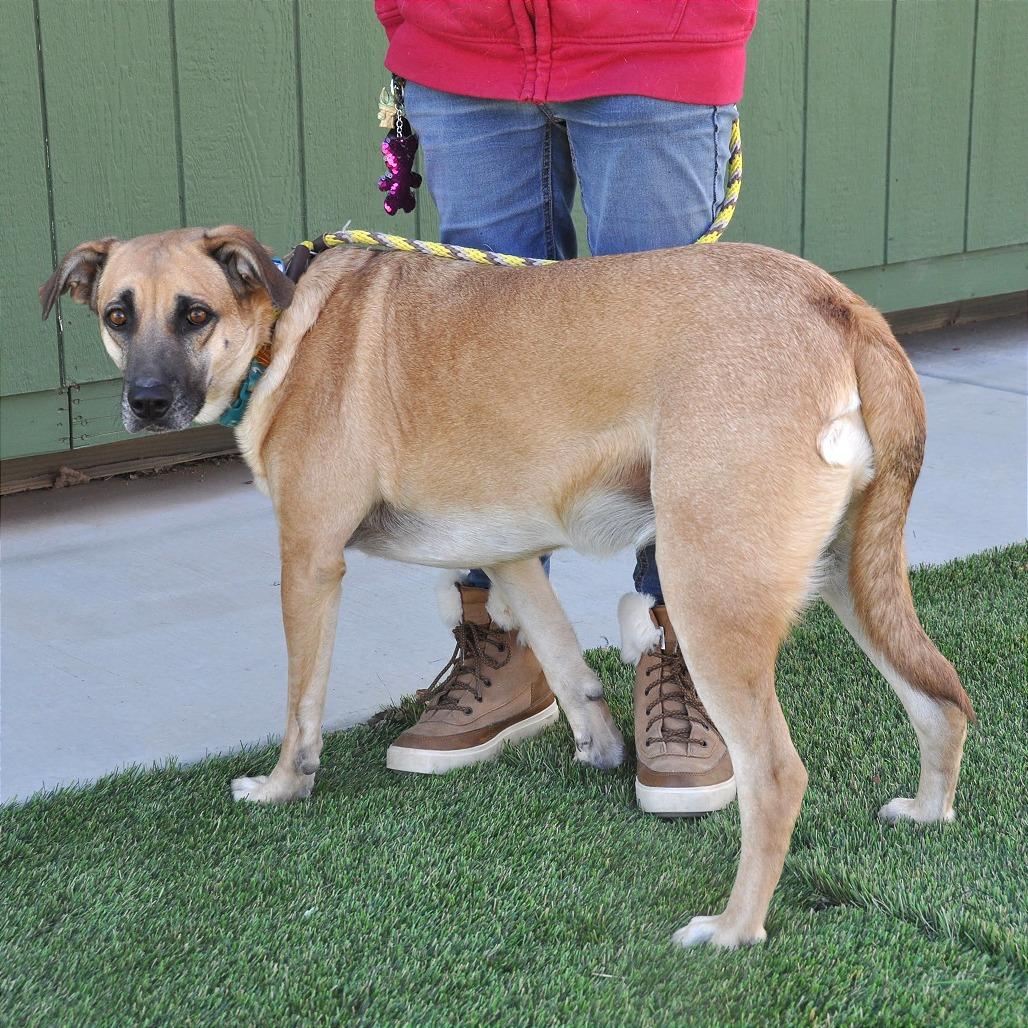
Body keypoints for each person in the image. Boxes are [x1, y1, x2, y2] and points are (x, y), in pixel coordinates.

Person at [375, 0, 758, 816]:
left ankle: (678, 642)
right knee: (487, 374)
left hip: (656, 35)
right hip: (462, 46)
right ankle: (508, 638)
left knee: (669, 376)